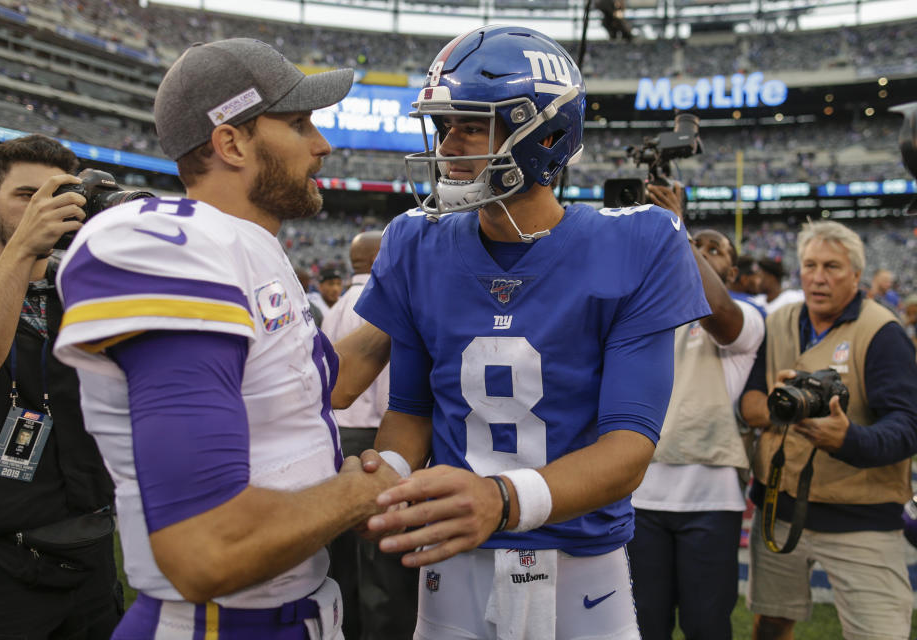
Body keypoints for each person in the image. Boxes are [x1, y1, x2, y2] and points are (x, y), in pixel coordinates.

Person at [355, 25, 711, 639]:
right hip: (451, 564)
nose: (448, 145)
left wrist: (500, 499)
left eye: (470, 125)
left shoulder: (639, 241)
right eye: (443, 127)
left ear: (546, 133)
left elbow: (628, 449)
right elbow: (411, 411)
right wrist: (385, 477)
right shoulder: (415, 242)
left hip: (580, 567)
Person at [52, 38, 399, 639]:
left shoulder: (249, 246)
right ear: (231, 142)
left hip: (293, 609)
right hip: (218, 622)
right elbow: (207, 545)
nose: (322, 144)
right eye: (297, 123)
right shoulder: (173, 248)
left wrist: (410, 303)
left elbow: (317, 386)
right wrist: (355, 493)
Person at [0, 134, 121, 638]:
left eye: (57, 198)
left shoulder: (87, 289)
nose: (43, 210)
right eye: (27, 196)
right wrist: (24, 246)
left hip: (91, 548)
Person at [740, 220, 917, 640]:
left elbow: (908, 425)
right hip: (778, 508)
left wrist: (849, 440)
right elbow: (749, 404)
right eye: (810, 265)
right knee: (770, 624)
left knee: (880, 632)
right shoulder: (779, 319)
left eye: (833, 267)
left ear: (857, 275)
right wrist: (784, 407)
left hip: (862, 518)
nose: (819, 277)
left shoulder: (883, 332)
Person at [630, 186, 765, 640]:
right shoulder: (645, 313)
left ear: (731, 268)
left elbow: (717, 312)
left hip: (711, 500)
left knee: (706, 626)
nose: (702, 251)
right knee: (643, 624)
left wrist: (678, 231)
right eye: (697, 244)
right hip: (640, 495)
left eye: (715, 249)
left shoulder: (743, 317)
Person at [323, 230, 419, 640]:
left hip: (335, 439)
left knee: (342, 561)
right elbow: (393, 393)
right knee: (383, 563)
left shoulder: (334, 307)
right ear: (380, 256)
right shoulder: (379, 304)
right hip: (376, 439)